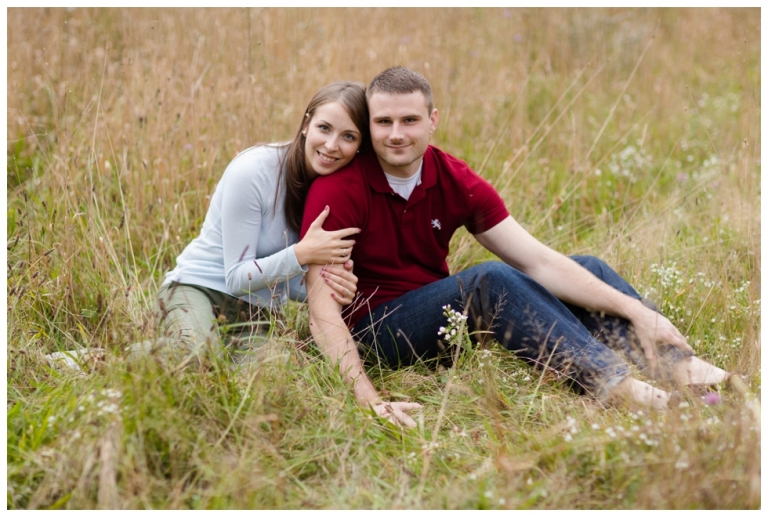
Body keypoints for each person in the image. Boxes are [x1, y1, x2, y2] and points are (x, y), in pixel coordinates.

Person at [300, 67, 730, 427]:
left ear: (433, 120)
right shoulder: (339, 189)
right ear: (369, 123)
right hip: (375, 334)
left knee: (587, 268)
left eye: (409, 120)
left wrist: (638, 310)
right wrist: (370, 401)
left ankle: (682, 370)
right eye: (383, 122)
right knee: (490, 281)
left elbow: (538, 260)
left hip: (442, 325)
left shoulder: (453, 178)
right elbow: (321, 314)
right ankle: (615, 387)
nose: (396, 134)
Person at [128, 81, 369, 368]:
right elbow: (237, 277)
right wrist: (302, 254)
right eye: (324, 128)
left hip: (258, 313)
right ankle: (89, 360)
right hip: (198, 289)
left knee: (272, 376)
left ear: (359, 146)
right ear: (306, 124)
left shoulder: (335, 192)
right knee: (195, 356)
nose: (331, 145)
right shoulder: (254, 171)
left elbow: (287, 283)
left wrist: (334, 289)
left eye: (348, 136)